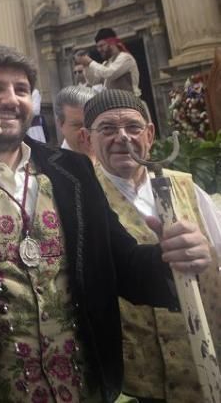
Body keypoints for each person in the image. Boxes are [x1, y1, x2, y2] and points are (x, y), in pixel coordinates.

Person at [0, 45, 212, 402]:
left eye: (20, 89)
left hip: (81, 390)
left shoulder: (74, 171)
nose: (10, 99)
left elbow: (120, 265)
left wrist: (170, 259)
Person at [81, 89, 221, 402]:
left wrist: (203, 255)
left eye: (133, 127)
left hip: (204, 364)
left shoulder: (185, 186)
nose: (122, 138)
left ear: (150, 133)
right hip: (136, 379)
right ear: (86, 139)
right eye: (107, 129)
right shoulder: (82, 200)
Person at [75, 27, 142, 96]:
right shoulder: (106, 63)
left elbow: (109, 73)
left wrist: (90, 62)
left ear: (112, 43)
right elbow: (94, 81)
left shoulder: (125, 58)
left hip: (130, 103)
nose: (99, 50)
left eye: (101, 46)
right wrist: (86, 65)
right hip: (115, 104)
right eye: (97, 47)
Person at [54, 84, 97, 156]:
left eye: (91, 124)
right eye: (78, 126)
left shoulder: (116, 161)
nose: (86, 133)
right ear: (60, 124)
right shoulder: (50, 166)